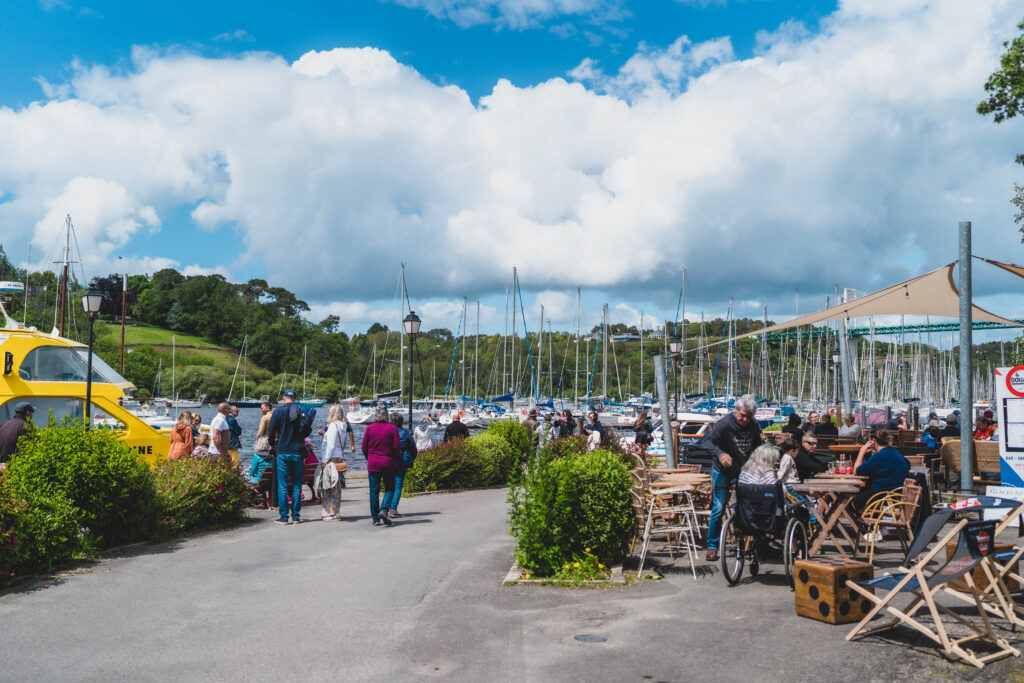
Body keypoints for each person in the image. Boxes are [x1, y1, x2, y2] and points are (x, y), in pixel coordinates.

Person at [697, 394, 762, 562]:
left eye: (749, 416)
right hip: (722, 471)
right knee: (718, 508)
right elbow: (706, 441)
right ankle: (712, 546)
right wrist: (720, 454)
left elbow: (757, 446)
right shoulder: (724, 424)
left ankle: (748, 544)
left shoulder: (753, 425)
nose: (745, 419)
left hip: (744, 470)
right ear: (736, 411)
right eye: (742, 415)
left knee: (747, 506)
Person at [268, 389, 307, 525]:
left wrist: (272, 445)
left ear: (284, 398)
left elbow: (271, 431)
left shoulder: (278, 412)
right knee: (297, 484)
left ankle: (284, 517)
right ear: (294, 399)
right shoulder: (300, 411)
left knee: (283, 485)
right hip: (297, 451)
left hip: (283, 451)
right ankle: (296, 516)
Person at [850, 429, 911, 515]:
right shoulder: (894, 451)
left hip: (882, 495)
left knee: (850, 504)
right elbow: (908, 464)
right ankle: (868, 521)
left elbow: (856, 472)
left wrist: (861, 452)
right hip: (897, 494)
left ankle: (866, 522)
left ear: (873, 441)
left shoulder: (879, 456)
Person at [362, 404, 401, 526]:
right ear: (387, 415)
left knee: (374, 491)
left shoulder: (369, 428)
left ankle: (375, 519)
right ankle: (384, 509)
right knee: (390, 488)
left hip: (373, 463)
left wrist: (369, 458)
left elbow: (364, 446)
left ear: (375, 415)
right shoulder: (392, 428)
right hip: (388, 463)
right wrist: (396, 459)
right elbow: (397, 447)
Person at [318, 405, 350, 520]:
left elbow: (330, 445)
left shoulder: (332, 426)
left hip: (331, 458)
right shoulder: (343, 426)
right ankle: (336, 511)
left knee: (327, 486)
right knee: (336, 487)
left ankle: (327, 512)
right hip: (339, 457)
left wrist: (324, 461)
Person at [387, 413, 417, 519]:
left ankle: (386, 507)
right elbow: (413, 448)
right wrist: (411, 458)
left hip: (390, 461)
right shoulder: (406, 433)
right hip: (402, 461)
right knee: (398, 485)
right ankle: (393, 509)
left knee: (390, 485)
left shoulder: (388, 432)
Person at [0, 402, 34, 468]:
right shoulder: (25, 427)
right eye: (32, 412)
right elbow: (25, 450)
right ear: (28, 412)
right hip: (13, 468)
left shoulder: (3, 425)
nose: (32, 415)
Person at [209, 402, 232, 468]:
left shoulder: (221, 419)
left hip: (218, 452)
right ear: (224, 410)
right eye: (229, 409)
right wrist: (221, 453)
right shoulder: (220, 420)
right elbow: (215, 437)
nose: (230, 411)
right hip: (217, 453)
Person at [225, 405, 242, 470]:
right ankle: (235, 474)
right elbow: (238, 431)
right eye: (237, 411)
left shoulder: (226, 418)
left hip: (226, 443)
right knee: (235, 461)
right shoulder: (231, 420)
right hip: (232, 443)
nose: (238, 412)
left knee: (228, 461)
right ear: (231, 411)